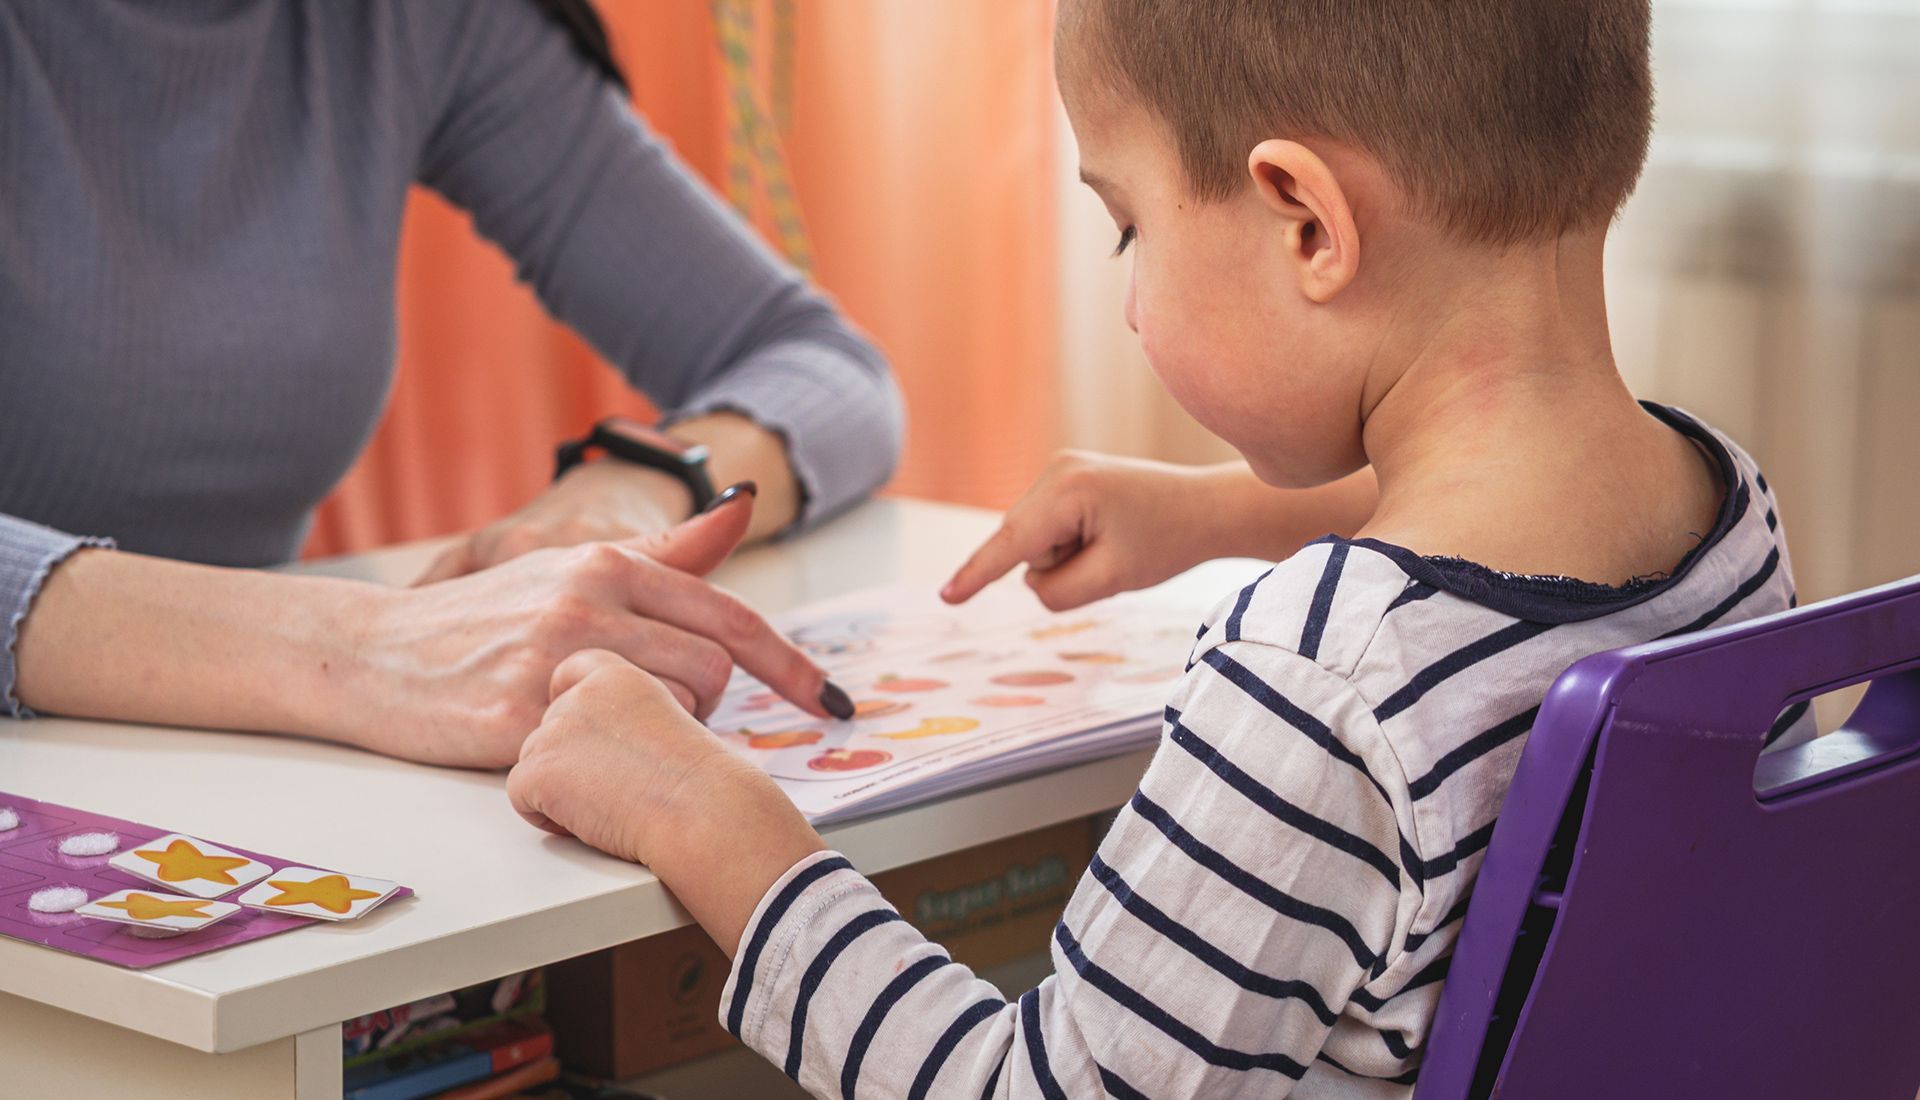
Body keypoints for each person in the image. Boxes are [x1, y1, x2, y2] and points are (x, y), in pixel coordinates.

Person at [504, 0, 1811, 1095]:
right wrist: (1223, 510)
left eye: (1128, 223)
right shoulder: (1723, 512)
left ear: (1306, 222)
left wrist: (719, 825)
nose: (1128, 297)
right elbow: (1500, 565)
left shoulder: (1320, 688)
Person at [1, 0, 900, 764]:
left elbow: (821, 365)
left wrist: (627, 492)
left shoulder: (407, 23)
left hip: (226, 779)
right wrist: (360, 651)